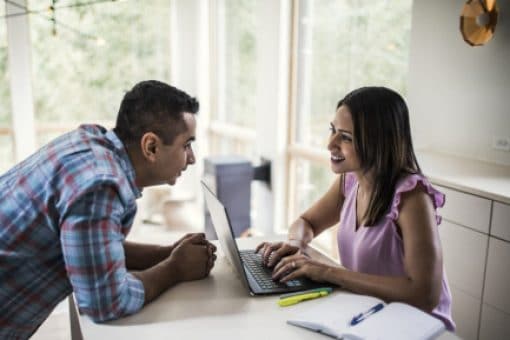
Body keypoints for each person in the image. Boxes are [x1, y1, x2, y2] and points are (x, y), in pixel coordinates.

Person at [0, 80, 217, 339]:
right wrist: (174, 268)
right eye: (186, 145)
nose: (191, 158)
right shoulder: (99, 185)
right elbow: (106, 301)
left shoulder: (90, 143)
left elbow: (94, 248)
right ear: (152, 147)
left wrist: (167, 253)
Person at [257, 86, 455, 331]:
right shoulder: (351, 181)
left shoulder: (412, 197)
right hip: (370, 316)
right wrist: (295, 245)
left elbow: (424, 295)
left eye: (346, 137)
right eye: (333, 130)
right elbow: (306, 222)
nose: (330, 144)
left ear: (378, 142)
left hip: (418, 328)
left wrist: (329, 272)